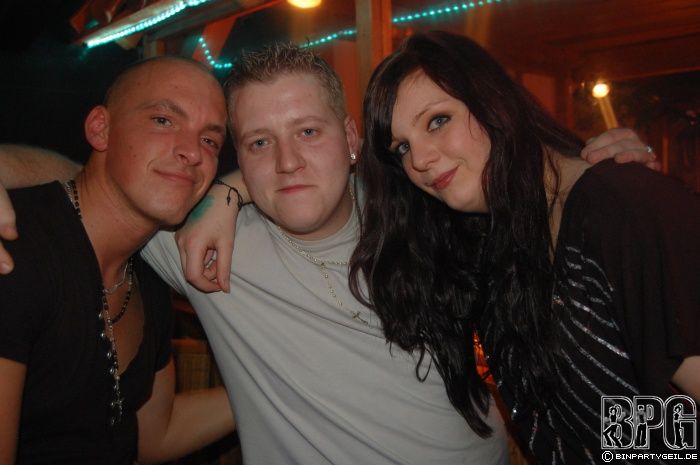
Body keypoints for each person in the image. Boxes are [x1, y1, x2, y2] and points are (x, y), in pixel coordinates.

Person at [0, 44, 655, 464]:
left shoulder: (428, 211)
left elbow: (546, 219)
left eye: (308, 132)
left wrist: (588, 175)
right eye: (258, 143)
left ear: (349, 138)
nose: (286, 162)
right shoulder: (199, 238)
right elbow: (87, 184)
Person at [352, 30, 699, 464]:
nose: (419, 160)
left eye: (438, 121)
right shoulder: (493, 234)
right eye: (402, 147)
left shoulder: (621, 210)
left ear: (491, 99)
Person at [0, 56, 234, 465]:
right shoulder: (17, 252)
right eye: (163, 120)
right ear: (100, 128)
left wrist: (286, 386)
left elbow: (155, 435)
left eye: (210, 140)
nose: (192, 152)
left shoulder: (147, 279)